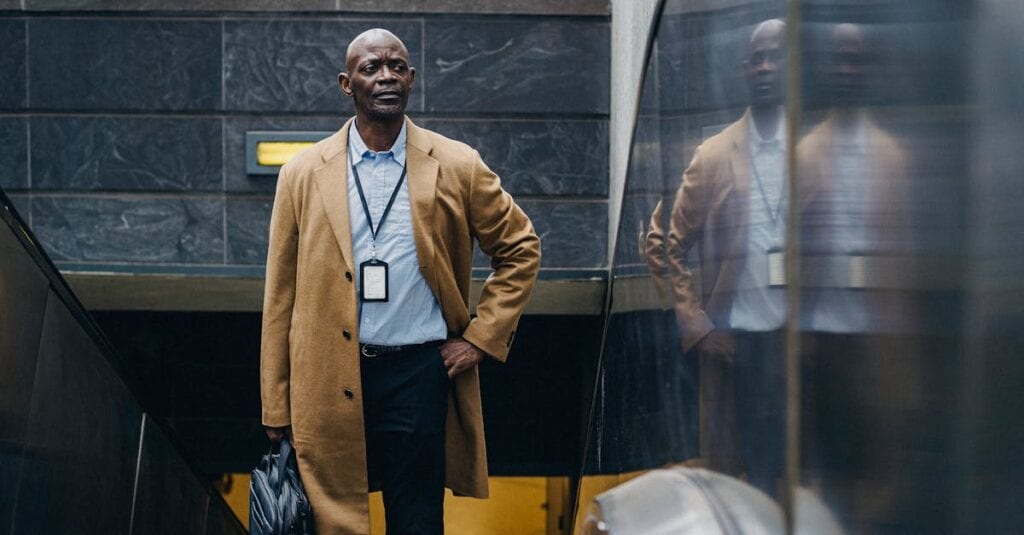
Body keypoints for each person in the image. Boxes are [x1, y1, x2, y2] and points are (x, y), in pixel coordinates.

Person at [260, 28, 541, 534]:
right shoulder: (302, 173)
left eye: (396, 66)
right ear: (347, 84)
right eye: (371, 68)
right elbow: (280, 297)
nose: (386, 76)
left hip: (418, 372)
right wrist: (275, 403)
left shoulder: (457, 164)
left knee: (415, 519)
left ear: (411, 78)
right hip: (324, 376)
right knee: (331, 520)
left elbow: (520, 248)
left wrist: (480, 339)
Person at [665, 19, 788, 497]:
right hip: (738, 343)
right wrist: (696, 323)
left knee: (798, 474)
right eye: (756, 57)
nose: (764, 66)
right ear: (744, 69)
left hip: (801, 340)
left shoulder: (811, 151)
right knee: (737, 476)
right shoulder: (713, 155)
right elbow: (670, 243)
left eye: (775, 56)